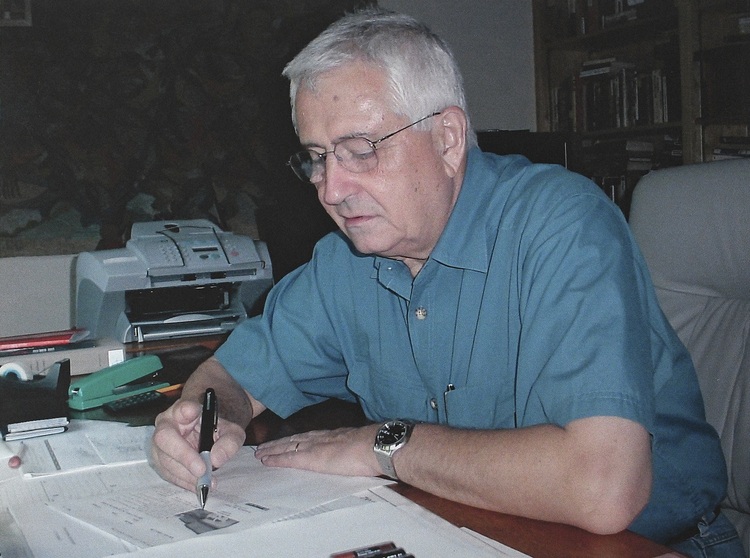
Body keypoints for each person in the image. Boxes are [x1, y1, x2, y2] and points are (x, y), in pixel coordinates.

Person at [150, 8, 744, 556]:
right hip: (457, 531)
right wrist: (207, 417)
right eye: (317, 157)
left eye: (359, 150)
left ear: (448, 138)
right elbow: (229, 375)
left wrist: (383, 446)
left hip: (649, 546)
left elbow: (603, 490)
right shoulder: (346, 262)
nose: (331, 189)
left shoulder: (562, 227)